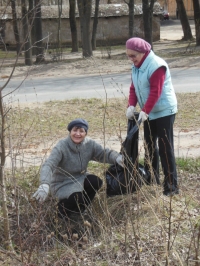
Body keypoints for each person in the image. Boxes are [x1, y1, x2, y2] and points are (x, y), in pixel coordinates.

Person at [33, 118, 123, 220]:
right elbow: (49, 165)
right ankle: (61, 213)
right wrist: (44, 183)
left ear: (85, 133)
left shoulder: (89, 144)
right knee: (77, 197)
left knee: (96, 182)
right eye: (75, 130)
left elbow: (103, 153)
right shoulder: (62, 146)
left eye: (81, 131)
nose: (78, 134)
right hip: (62, 182)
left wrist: (117, 158)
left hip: (80, 177)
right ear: (70, 131)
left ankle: (79, 210)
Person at [125, 37, 178, 196]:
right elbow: (134, 87)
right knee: (149, 146)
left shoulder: (156, 66)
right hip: (147, 113)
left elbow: (156, 91)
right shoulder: (136, 66)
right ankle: (152, 180)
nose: (131, 59)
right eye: (128, 55)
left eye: (134, 55)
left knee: (165, 148)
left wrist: (145, 110)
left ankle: (171, 188)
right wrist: (131, 105)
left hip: (163, 111)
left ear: (143, 52)